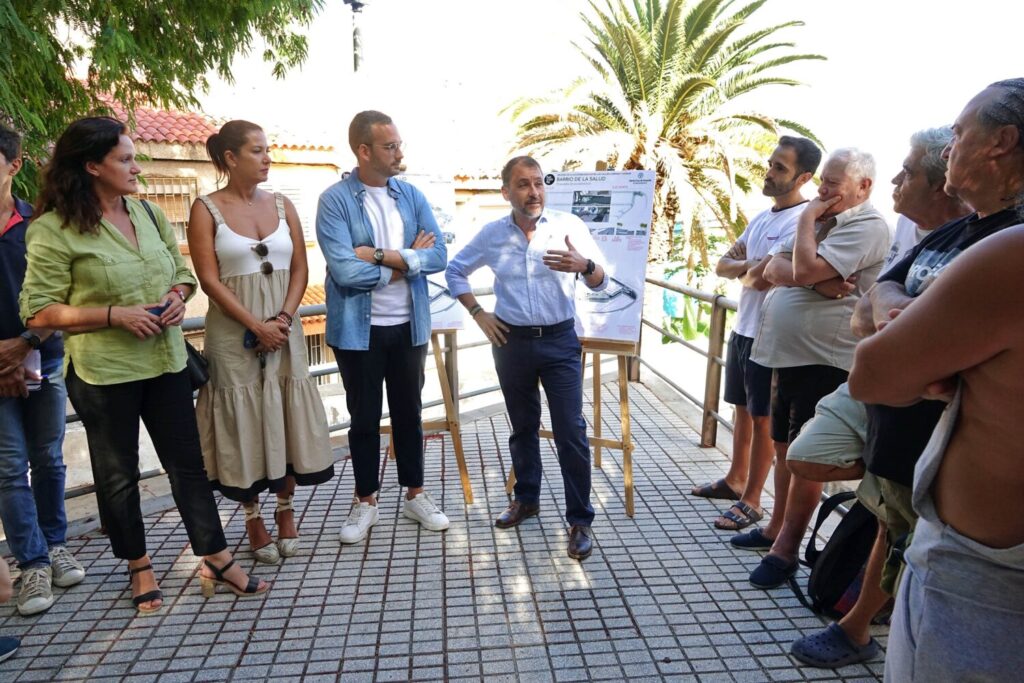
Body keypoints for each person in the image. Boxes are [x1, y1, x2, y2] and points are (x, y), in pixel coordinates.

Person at [19, 117, 267, 614]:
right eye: (125, 159)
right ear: (92, 166)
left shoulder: (148, 213)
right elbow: (39, 310)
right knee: (119, 476)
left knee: (188, 467)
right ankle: (138, 565)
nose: (137, 167)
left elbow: (180, 272)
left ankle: (216, 555)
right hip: (103, 371)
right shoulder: (52, 229)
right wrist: (113, 315)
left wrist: (178, 296)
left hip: (167, 361)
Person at [786, 127, 971, 668]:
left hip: (934, 418)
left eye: (908, 171)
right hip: (890, 403)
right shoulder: (931, 238)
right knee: (851, 487)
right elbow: (869, 310)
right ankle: (867, 618)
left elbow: (858, 301)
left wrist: (893, 325)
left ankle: (862, 625)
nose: (897, 179)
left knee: (905, 527)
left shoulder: (992, 240)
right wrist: (897, 319)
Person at [734, 148, 890, 589]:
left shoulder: (866, 226)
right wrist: (819, 280)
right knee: (784, 447)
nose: (821, 192)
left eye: (832, 185)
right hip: (790, 355)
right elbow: (770, 269)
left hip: (825, 359)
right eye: (821, 182)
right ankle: (774, 529)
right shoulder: (827, 220)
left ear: (863, 187)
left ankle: (786, 551)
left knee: (804, 458)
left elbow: (796, 265)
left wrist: (804, 231)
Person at [445, 156, 608, 561]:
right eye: (522, 184)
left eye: (537, 183)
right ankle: (527, 499)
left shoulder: (568, 227)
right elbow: (454, 271)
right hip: (511, 342)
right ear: (506, 192)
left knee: (570, 429)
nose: (533, 192)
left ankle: (580, 520)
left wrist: (584, 266)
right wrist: (479, 315)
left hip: (559, 342)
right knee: (521, 427)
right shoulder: (491, 235)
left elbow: (601, 279)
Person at [187, 120, 333, 564]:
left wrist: (284, 319)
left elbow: (303, 268)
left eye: (267, 149)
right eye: (257, 151)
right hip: (234, 334)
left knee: (285, 412)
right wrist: (257, 324)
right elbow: (208, 279)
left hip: (284, 330)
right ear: (231, 158)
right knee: (242, 420)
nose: (267, 157)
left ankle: (286, 510)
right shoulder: (205, 209)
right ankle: (252, 515)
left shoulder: (284, 203)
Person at [316, 110, 449, 544]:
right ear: (364, 150)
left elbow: (440, 256)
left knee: (410, 413)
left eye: (398, 144)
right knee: (364, 418)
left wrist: (377, 255)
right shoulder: (335, 200)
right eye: (390, 146)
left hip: (409, 325)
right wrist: (408, 260)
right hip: (359, 329)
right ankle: (365, 501)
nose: (399, 153)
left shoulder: (409, 195)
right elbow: (343, 271)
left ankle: (415, 494)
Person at [693, 136, 821, 532]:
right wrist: (749, 267)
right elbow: (723, 265)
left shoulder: (802, 222)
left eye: (780, 167)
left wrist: (747, 268)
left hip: (771, 339)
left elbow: (763, 277)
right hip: (744, 328)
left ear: (804, 177)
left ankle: (753, 500)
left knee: (766, 420)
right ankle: (735, 480)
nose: (769, 172)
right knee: (743, 410)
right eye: (770, 163)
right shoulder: (762, 218)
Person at [0, 124, 85, 616]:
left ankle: (56, 544)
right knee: (10, 469)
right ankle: (31, 564)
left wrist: (26, 346)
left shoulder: (39, 227)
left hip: (44, 358)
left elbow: (62, 293)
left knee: (48, 459)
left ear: (14, 166)